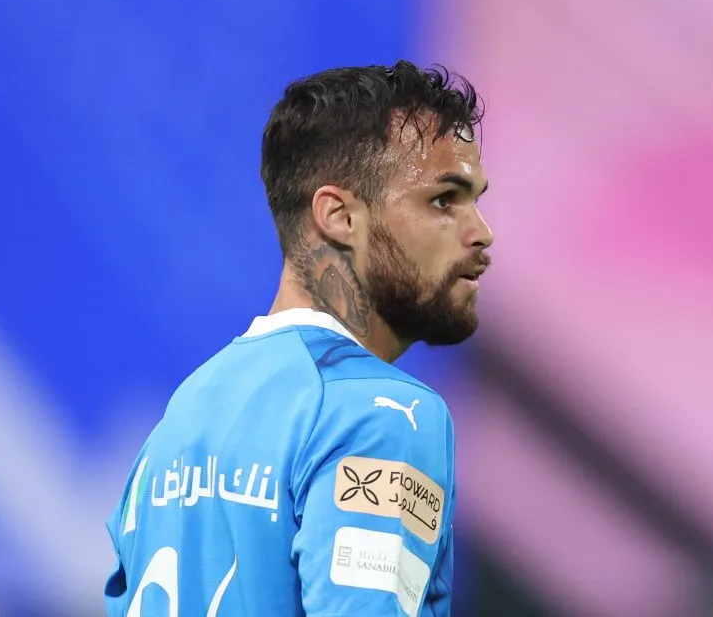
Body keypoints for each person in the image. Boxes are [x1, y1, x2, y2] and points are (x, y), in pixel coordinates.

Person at [103, 60, 494, 617]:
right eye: (444, 200)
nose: (481, 232)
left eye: (475, 199)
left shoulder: (181, 419)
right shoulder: (385, 414)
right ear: (338, 216)